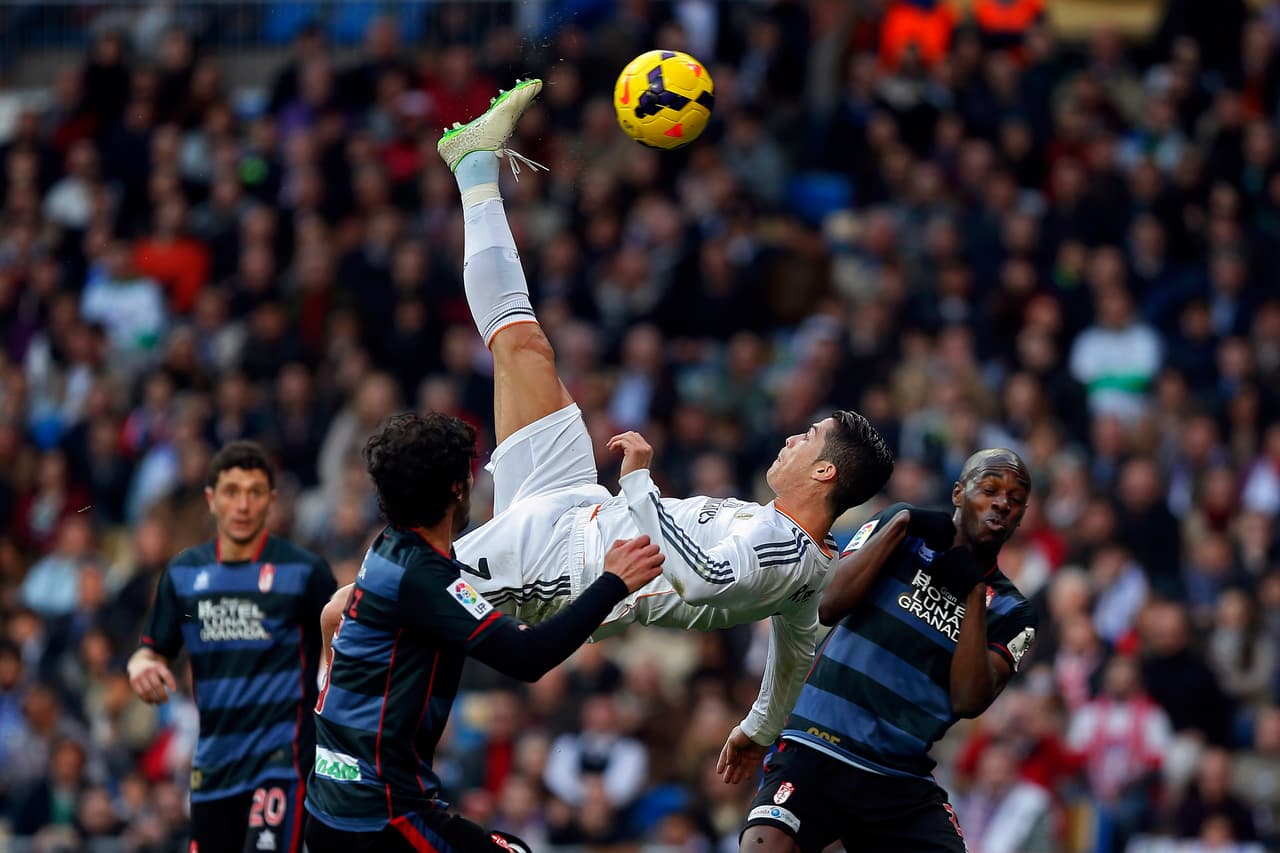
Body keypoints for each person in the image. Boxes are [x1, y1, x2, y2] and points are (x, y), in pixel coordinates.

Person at [394, 77, 892, 776]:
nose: (790, 438)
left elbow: (697, 577)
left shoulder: (783, 551)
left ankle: (318, 686)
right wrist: (760, 726)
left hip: (560, 568)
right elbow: (798, 652)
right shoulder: (810, 561)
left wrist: (638, 482)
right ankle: (475, 165)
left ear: (824, 471)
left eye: (806, 438)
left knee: (381, 594)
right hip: (576, 504)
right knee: (524, 346)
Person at [303, 411, 665, 852]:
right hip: (379, 818)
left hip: (330, 806)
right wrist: (613, 582)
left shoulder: (386, 550)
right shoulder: (422, 576)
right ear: (459, 488)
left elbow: (333, 613)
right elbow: (527, 657)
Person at [740, 448, 1039, 852]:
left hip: (898, 776)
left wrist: (973, 593)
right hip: (817, 744)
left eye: (1015, 499)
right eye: (989, 490)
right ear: (958, 493)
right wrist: (900, 524)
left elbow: (968, 700)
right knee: (763, 845)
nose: (1002, 503)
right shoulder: (900, 529)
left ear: (1020, 516)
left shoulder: (1014, 612)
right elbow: (828, 605)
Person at [127, 440, 337, 853]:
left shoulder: (304, 571)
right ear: (211, 499)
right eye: (231, 492)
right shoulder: (184, 573)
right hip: (213, 765)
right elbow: (151, 649)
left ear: (271, 500)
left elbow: (339, 647)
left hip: (282, 762)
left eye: (255, 492)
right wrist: (140, 666)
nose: (242, 505)